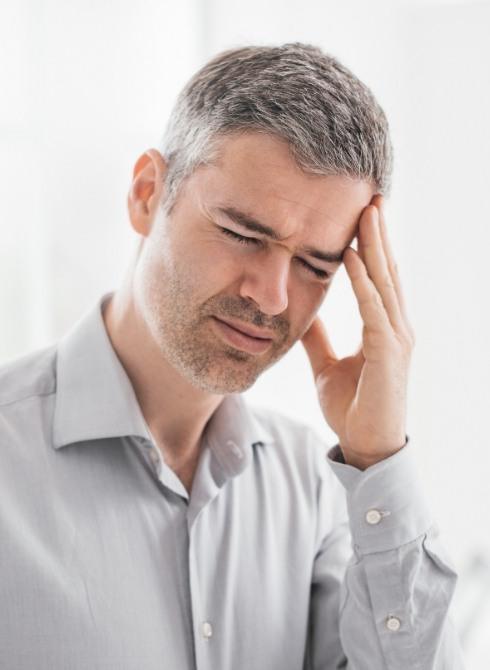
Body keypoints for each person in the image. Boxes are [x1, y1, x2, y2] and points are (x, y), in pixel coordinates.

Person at [0, 42, 465, 669]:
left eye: (315, 265)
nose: (272, 297)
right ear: (146, 195)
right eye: (243, 234)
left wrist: (379, 458)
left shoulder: (316, 488)